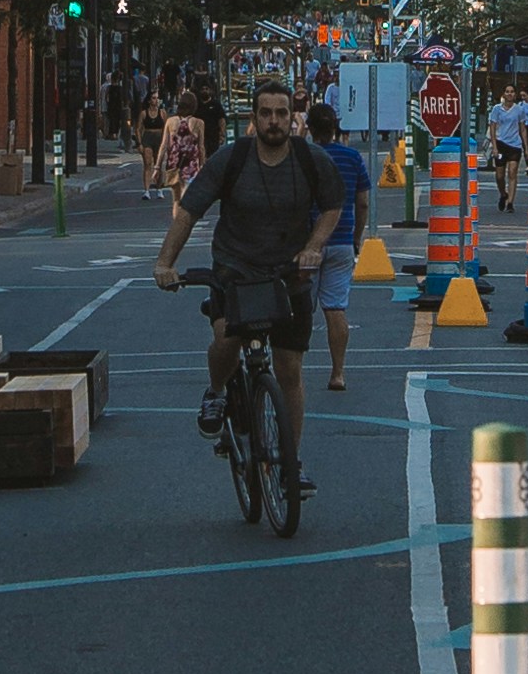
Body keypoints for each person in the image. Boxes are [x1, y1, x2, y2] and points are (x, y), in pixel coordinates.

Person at [155, 78, 336, 487]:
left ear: (293, 118)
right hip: (235, 270)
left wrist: (314, 247)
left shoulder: (311, 160)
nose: (274, 120)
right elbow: (188, 212)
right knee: (226, 340)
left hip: (288, 275)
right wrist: (165, 263)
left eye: (282, 113)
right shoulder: (230, 159)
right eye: (266, 113)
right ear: (253, 119)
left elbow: (332, 206)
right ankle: (217, 391)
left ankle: (291, 463)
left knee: (290, 368)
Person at [301, 95, 370, 394]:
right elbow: (363, 201)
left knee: (300, 310)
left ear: (309, 128)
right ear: (336, 128)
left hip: (307, 244)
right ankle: (338, 372)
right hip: (342, 240)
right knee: (335, 308)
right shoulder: (352, 158)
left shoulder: (303, 157)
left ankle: (294, 371)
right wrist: (356, 236)